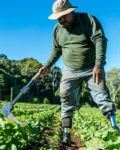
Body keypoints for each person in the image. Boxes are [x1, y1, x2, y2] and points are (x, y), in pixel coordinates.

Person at [36, 0, 117, 144]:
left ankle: (114, 126)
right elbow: (56, 50)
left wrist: (98, 64)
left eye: (63, 16)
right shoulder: (58, 29)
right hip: (69, 69)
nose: (61, 20)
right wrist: (47, 65)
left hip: (91, 67)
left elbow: (100, 40)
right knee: (65, 97)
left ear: (71, 12)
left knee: (101, 95)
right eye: (58, 17)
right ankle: (66, 133)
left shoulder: (88, 20)